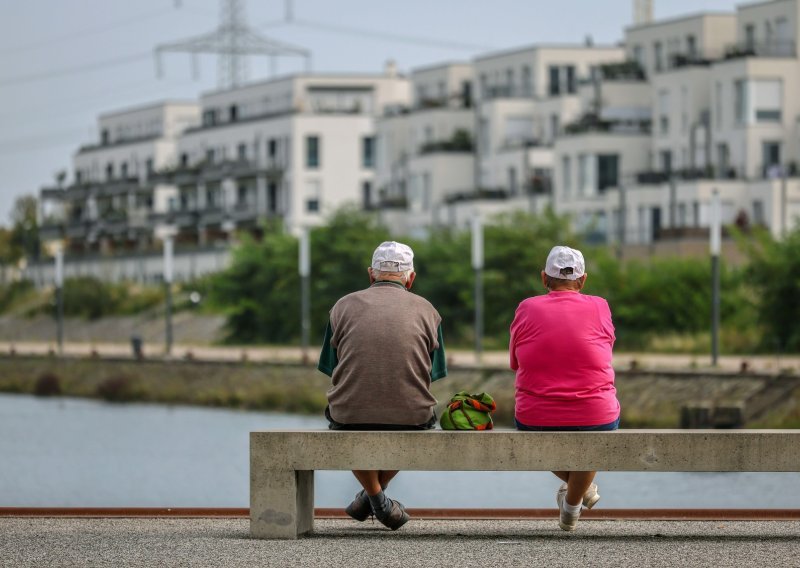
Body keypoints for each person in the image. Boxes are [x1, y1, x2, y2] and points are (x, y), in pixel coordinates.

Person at [317, 240, 447, 530]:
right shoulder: (429, 310)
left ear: (370, 274)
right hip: (411, 417)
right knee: (418, 418)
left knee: (347, 419)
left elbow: (331, 367)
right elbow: (434, 373)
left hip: (349, 415)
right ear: (410, 278)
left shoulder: (341, 306)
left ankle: (372, 499)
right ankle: (378, 501)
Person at [509, 245, 620, 532]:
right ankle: (572, 507)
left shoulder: (526, 307)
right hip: (597, 415)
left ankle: (573, 501)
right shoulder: (600, 305)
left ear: (544, 278)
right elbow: (604, 351)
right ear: (583, 281)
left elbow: (515, 362)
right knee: (592, 439)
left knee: (542, 440)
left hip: (535, 418)